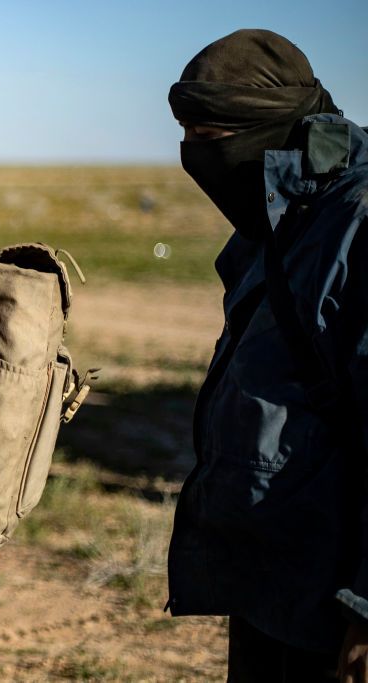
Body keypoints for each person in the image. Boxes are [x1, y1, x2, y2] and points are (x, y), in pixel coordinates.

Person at [165, 29, 368, 682]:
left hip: (335, 598)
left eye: (209, 138)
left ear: (268, 131)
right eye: (186, 134)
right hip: (272, 581)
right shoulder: (277, 215)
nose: (193, 155)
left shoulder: (355, 222)